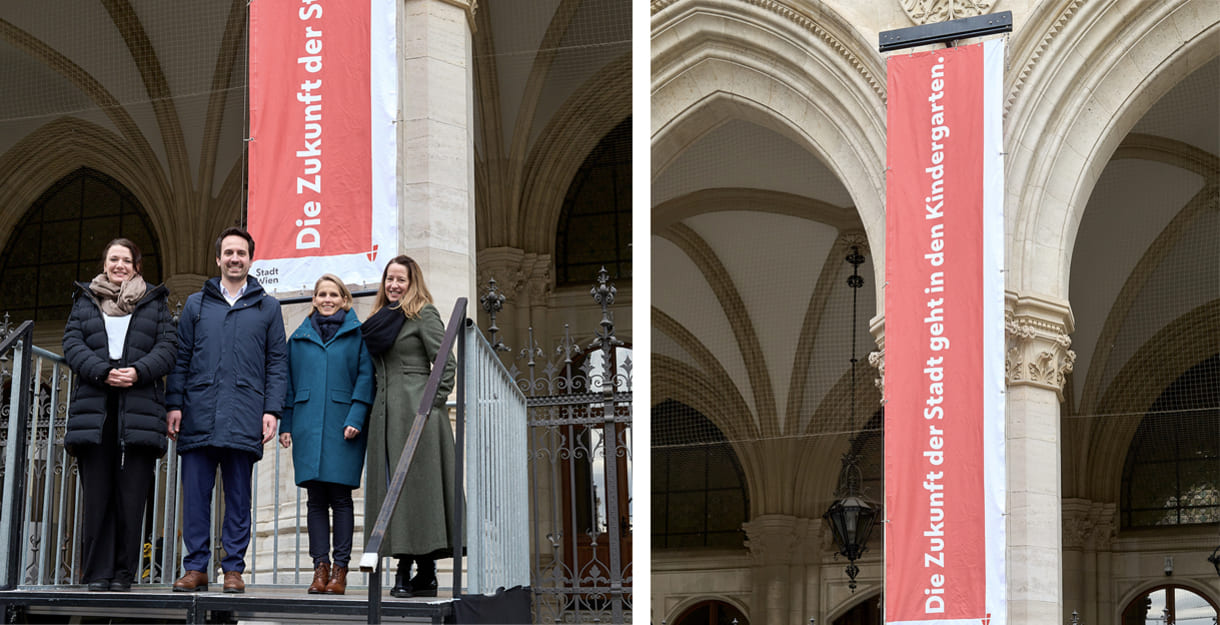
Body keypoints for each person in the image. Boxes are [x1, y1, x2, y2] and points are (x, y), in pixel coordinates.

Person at [165, 227, 288, 593]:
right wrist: (174, 404)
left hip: (244, 413)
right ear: (218, 258)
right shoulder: (196, 305)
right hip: (199, 411)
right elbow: (181, 358)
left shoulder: (268, 307)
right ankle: (196, 567)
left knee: (238, 498)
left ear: (251, 259)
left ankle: (233, 569)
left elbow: (277, 363)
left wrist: (272, 409)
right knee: (196, 497)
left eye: (242, 253)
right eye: (229, 253)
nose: (235, 259)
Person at [62, 238, 176, 592]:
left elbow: (168, 347)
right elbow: (72, 344)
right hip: (96, 407)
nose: (120, 265)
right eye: (114, 259)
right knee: (97, 496)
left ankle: (124, 574)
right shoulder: (85, 300)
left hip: (138, 406)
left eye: (127, 260)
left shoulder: (153, 302)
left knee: (132, 496)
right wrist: (101, 371)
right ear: (105, 263)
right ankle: (97, 573)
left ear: (136, 266)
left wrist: (138, 371)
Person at [361, 255, 457, 598]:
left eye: (401, 279)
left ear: (412, 281)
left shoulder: (423, 314)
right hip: (386, 415)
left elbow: (445, 362)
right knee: (392, 489)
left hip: (419, 417)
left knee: (419, 493)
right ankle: (418, 571)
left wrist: (430, 405)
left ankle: (415, 569)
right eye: (389, 279)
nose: (394, 285)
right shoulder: (378, 320)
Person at [278, 274, 374, 595]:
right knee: (315, 501)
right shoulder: (299, 338)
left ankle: (340, 570)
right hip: (307, 425)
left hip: (344, 426)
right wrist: (287, 424)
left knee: (341, 499)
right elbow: (289, 386)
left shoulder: (358, 336)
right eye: (322, 294)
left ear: (344, 299)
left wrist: (356, 417)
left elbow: (365, 378)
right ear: (314, 299)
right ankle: (319, 569)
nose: (327, 299)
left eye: (334, 294)